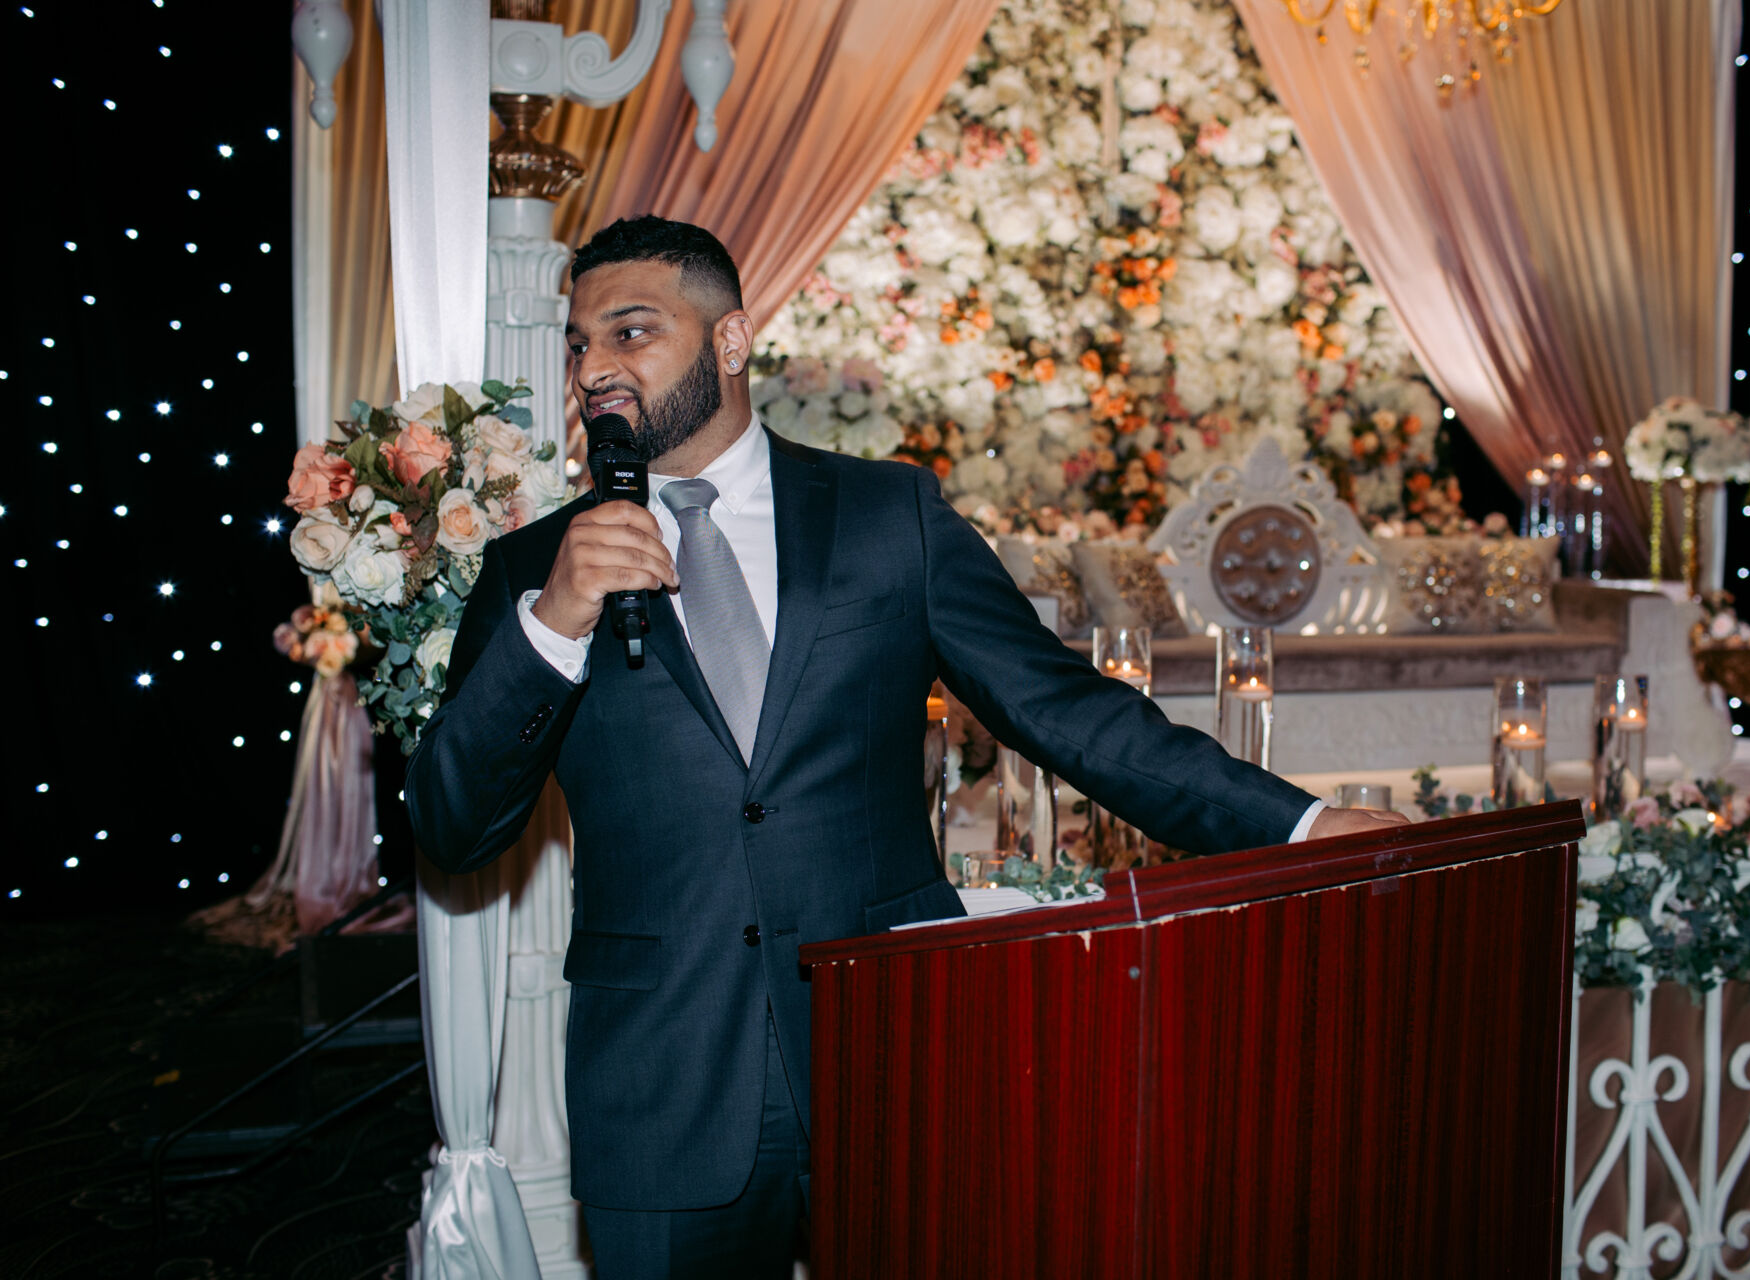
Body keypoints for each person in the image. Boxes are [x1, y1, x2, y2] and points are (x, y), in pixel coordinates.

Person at [406, 215, 1409, 1278]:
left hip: (892, 1052)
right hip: (662, 1083)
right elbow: (453, 825)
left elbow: (1066, 710)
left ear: (731, 340)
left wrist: (1298, 823)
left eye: (631, 332)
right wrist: (553, 623)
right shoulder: (534, 569)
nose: (595, 368)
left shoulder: (889, 515)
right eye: (579, 343)